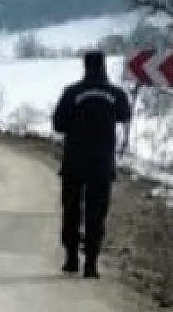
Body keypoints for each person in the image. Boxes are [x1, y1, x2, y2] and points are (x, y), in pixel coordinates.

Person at [51, 50, 132, 279]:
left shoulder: (72, 92)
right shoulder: (115, 94)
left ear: (85, 66)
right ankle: (92, 263)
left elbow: (58, 124)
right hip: (102, 162)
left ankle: (71, 259)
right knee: (97, 212)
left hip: (74, 160)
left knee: (72, 209)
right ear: (104, 66)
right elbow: (125, 115)